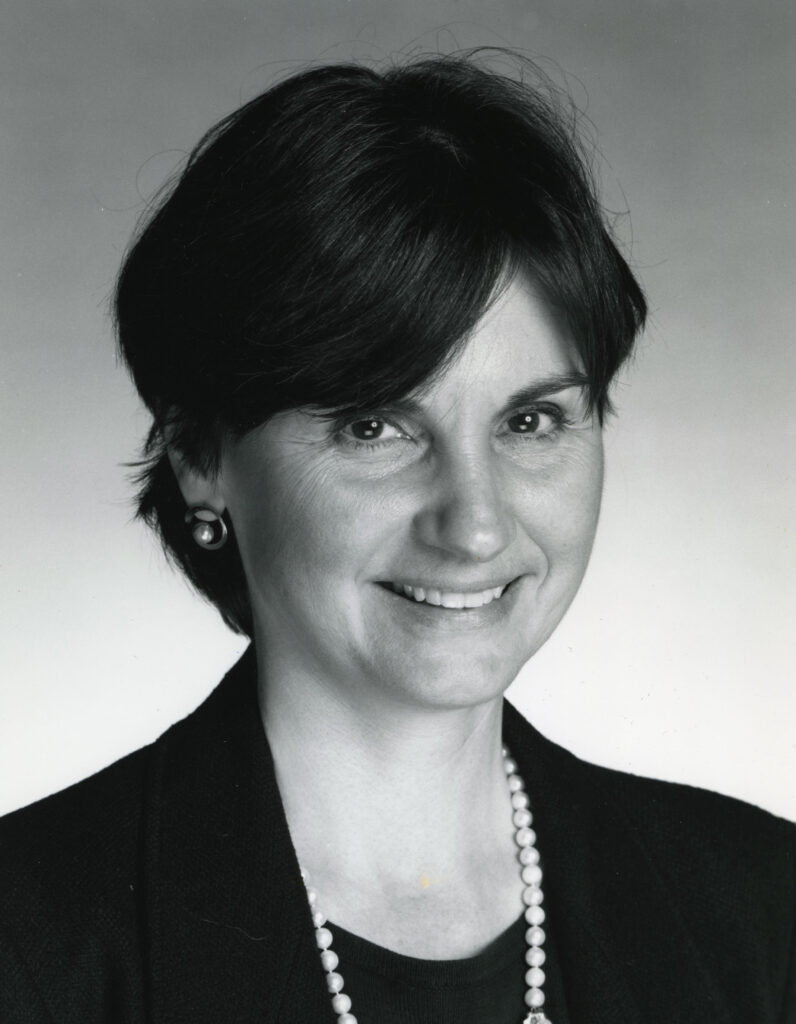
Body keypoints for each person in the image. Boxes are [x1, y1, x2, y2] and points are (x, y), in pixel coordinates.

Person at [0, 51, 793, 1024]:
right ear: (202, 454)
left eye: (530, 421)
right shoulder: (29, 944)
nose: (476, 523)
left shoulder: (760, 906)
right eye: (374, 427)